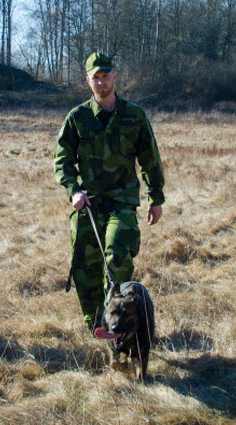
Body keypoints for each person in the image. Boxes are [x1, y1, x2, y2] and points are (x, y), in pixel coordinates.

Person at [53, 53, 166, 334]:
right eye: (96, 77)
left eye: (106, 75)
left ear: (114, 77)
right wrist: (73, 191)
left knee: (116, 258)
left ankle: (115, 319)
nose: (101, 81)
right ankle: (96, 325)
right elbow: (62, 160)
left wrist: (156, 198)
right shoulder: (77, 118)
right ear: (88, 80)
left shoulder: (134, 116)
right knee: (84, 266)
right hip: (89, 204)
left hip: (122, 203)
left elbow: (150, 158)